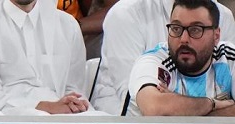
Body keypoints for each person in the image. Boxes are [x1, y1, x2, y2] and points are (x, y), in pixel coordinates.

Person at [92, 0, 235, 114]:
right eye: (176, 29)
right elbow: (151, 107)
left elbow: (166, 109)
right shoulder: (155, 58)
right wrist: (212, 104)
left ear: (216, 36)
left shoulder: (227, 46)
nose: (184, 39)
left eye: (196, 30)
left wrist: (174, 105)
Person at [0, 0, 95, 115]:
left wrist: (71, 105)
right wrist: (48, 107)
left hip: (65, 116)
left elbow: (74, 90)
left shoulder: (68, 25)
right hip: (11, 117)